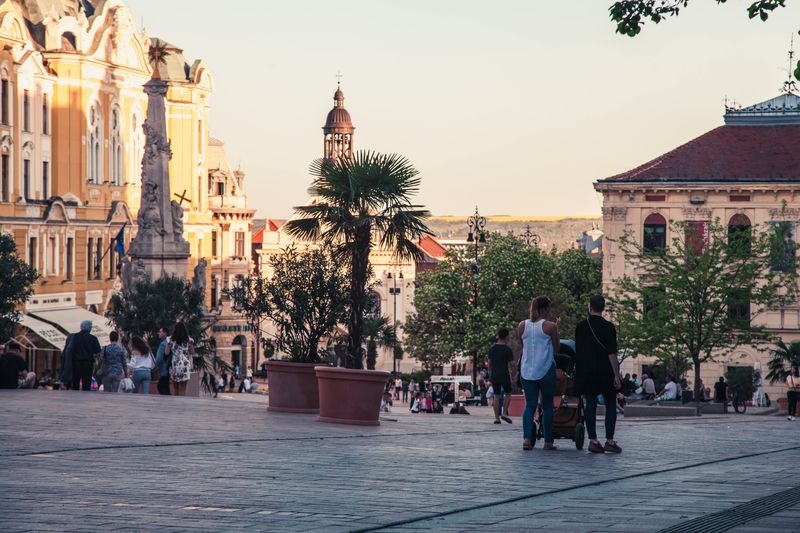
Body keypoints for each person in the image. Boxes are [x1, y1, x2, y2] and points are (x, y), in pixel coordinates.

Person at [575, 294, 622, 454]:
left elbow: (579, 353)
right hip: (605, 371)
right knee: (610, 404)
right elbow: (612, 353)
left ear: (590, 307)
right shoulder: (609, 327)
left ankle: (593, 440)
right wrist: (616, 375)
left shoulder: (581, 327)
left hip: (587, 372)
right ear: (603, 308)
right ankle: (609, 440)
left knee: (590, 404)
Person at [517, 296, 559, 451]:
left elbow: (523, 345)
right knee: (548, 406)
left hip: (527, 370)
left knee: (530, 405)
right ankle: (548, 441)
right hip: (546, 369)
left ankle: (527, 439)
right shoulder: (551, 326)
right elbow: (557, 348)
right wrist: (557, 329)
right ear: (544, 309)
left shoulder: (522, 325)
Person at [487, 327, 514, 425]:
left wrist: (490, 374)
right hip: (504, 375)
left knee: (496, 396)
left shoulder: (492, 349)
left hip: (494, 375)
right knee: (508, 393)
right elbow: (512, 363)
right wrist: (514, 372)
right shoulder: (507, 350)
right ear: (506, 336)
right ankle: (504, 413)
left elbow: (489, 364)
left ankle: (496, 418)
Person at [70, 320, 101, 391]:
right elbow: (98, 352)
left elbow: (71, 350)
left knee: (75, 383)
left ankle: (74, 398)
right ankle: (84, 399)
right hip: (88, 364)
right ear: (89, 328)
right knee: (86, 384)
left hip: (76, 363)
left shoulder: (74, 337)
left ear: (81, 327)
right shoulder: (93, 338)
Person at [166, 322, 194, 396]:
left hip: (175, 364)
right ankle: (182, 404)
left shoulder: (170, 339)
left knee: (175, 388)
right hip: (185, 365)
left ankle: (176, 405)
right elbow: (192, 352)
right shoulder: (189, 340)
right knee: (183, 388)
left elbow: (166, 353)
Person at [154, 327, 171, 395]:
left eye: (160, 332)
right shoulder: (169, 342)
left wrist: (154, 366)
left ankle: (166, 402)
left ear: (165, 333)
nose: (159, 333)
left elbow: (159, 358)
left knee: (161, 386)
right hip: (169, 368)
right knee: (165, 387)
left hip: (164, 369)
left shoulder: (163, 344)